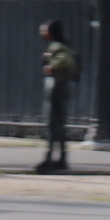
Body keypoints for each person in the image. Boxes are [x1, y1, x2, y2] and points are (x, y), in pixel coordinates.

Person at [35, 18, 79, 173]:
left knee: (53, 123)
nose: (42, 33)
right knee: (59, 123)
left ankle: (51, 157)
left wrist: (51, 68)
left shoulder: (56, 46)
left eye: (44, 30)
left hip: (57, 85)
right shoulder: (62, 45)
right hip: (63, 85)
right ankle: (61, 157)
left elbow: (64, 61)